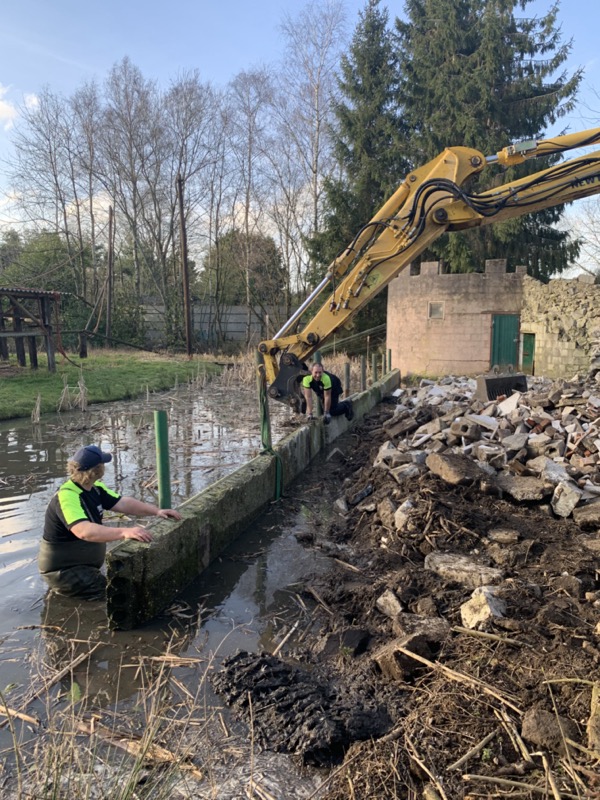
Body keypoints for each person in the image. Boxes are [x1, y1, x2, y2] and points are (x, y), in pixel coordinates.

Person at [38, 444, 182, 600]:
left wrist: (157, 511)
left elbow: (123, 503)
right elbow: (84, 531)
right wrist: (124, 532)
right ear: (97, 470)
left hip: (82, 566)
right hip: (65, 571)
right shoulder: (67, 496)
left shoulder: (94, 487)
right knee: (113, 598)